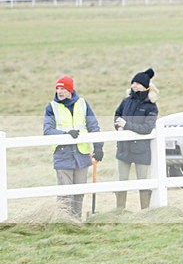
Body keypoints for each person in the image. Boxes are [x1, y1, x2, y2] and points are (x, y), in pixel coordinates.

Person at [43, 75, 103, 219]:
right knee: (65, 194)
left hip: (82, 155)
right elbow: (47, 130)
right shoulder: (51, 107)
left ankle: (76, 222)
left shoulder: (83, 104)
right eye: (58, 89)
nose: (59, 92)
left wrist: (98, 147)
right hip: (63, 154)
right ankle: (64, 222)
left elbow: (93, 126)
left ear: (70, 90)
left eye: (63, 88)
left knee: (79, 192)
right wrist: (65, 134)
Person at [113, 68, 159, 210]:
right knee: (122, 181)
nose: (134, 86)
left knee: (143, 182)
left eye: (138, 83)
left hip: (141, 150)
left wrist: (126, 125)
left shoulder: (151, 107)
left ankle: (145, 211)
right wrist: (118, 126)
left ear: (145, 86)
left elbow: (147, 128)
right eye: (133, 83)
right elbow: (117, 115)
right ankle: (120, 211)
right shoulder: (126, 101)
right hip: (124, 149)